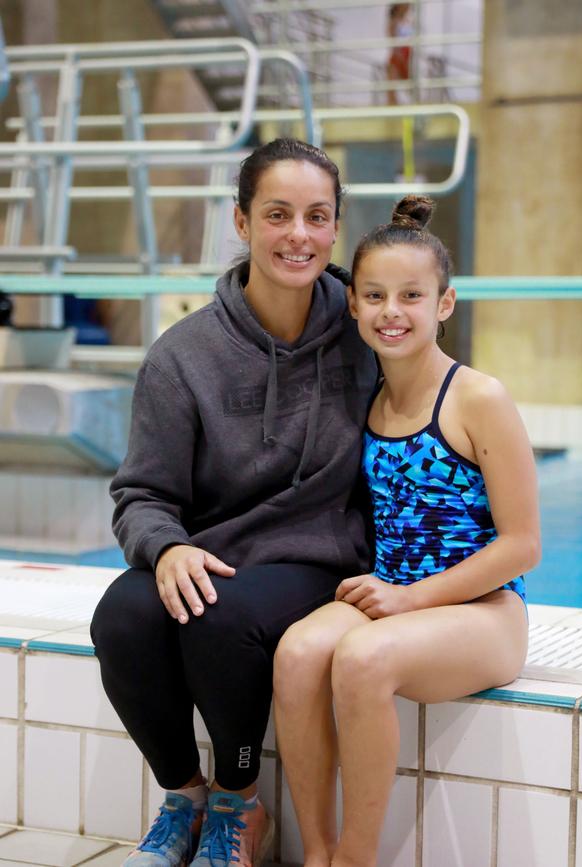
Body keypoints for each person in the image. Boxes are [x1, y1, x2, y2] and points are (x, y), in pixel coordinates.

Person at [90, 138, 377, 867]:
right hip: (218, 550)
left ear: (336, 226)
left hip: (319, 553)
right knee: (122, 616)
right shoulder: (183, 355)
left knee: (221, 618)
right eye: (278, 214)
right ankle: (183, 795)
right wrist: (169, 546)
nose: (299, 235)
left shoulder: (367, 333)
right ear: (243, 222)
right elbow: (141, 494)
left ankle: (238, 803)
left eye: (317, 216)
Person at [273, 196, 540, 867]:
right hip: (397, 600)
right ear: (354, 307)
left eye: (411, 295)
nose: (393, 311)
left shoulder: (478, 398)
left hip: (484, 612)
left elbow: (522, 544)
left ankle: (357, 860)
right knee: (298, 653)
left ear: (444, 304)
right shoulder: (372, 399)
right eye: (376, 295)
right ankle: (318, 852)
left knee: (364, 658)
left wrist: (410, 599)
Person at [386, 3, 413, 106]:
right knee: (392, 86)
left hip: (407, 56)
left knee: (409, 85)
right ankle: (393, 108)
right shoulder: (394, 22)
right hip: (399, 56)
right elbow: (392, 40)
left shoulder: (407, 21)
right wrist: (399, 55)